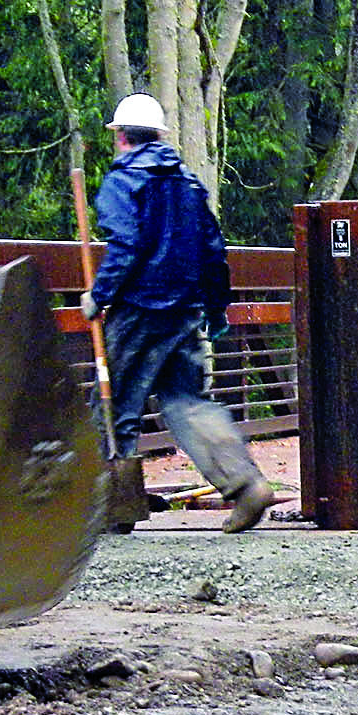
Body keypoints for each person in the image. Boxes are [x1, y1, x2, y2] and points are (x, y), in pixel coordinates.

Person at [80, 92, 278, 533]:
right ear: (158, 137)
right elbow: (212, 249)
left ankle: (112, 510)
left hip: (139, 310)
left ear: (121, 138)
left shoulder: (124, 180)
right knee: (187, 402)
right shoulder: (188, 183)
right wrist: (215, 306)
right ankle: (245, 485)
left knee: (115, 406)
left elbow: (126, 243)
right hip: (185, 311)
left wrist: (100, 293)